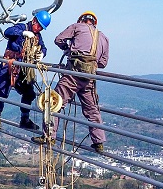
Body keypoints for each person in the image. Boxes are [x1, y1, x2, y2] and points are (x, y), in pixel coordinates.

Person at [35, 11, 109, 152]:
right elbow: (103, 63)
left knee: (54, 103)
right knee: (92, 111)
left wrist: (69, 50)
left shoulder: (77, 27)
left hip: (72, 75)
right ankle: (99, 142)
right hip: (89, 79)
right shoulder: (103, 37)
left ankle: (49, 137)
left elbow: (58, 40)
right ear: (94, 23)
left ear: (82, 20)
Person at [0, 10, 52, 132]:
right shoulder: (22, 27)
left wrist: (42, 54)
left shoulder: (37, 36)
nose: (39, 29)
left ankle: (25, 119)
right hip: (10, 64)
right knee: (2, 90)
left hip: (24, 68)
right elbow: (7, 32)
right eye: (39, 25)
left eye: (41, 27)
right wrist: (23, 33)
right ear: (34, 20)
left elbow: (43, 47)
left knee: (29, 93)